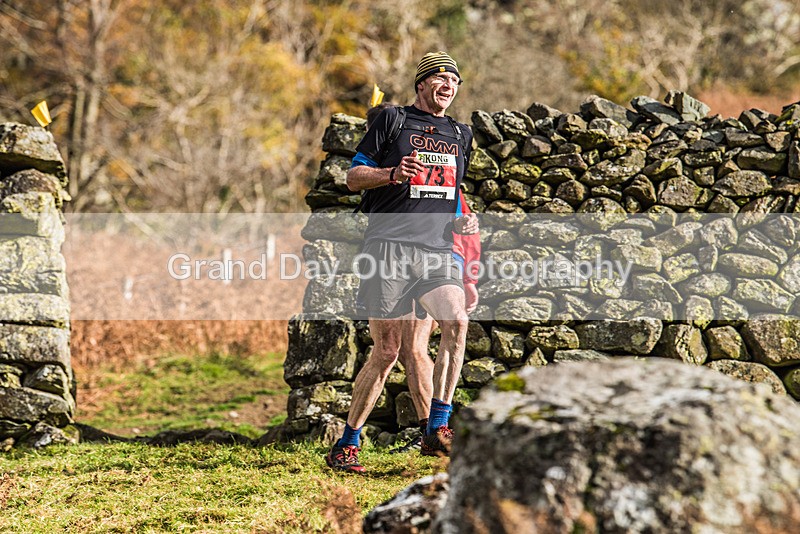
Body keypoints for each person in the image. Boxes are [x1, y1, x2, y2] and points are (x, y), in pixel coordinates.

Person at [325, 51, 477, 473]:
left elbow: (452, 191)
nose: (449, 85)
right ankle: (348, 443)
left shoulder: (460, 135)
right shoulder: (392, 121)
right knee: (388, 351)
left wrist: (464, 218)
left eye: (455, 81)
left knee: (456, 323)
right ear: (423, 84)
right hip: (389, 248)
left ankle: (438, 424)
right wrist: (392, 173)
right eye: (441, 78)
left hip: (437, 251)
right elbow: (353, 178)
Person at [363, 103, 482, 454]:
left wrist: (469, 276)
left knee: (413, 349)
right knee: (395, 351)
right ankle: (429, 432)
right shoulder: (394, 173)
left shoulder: (434, 169)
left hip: (438, 266)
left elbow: (464, 219)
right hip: (398, 261)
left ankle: (432, 431)